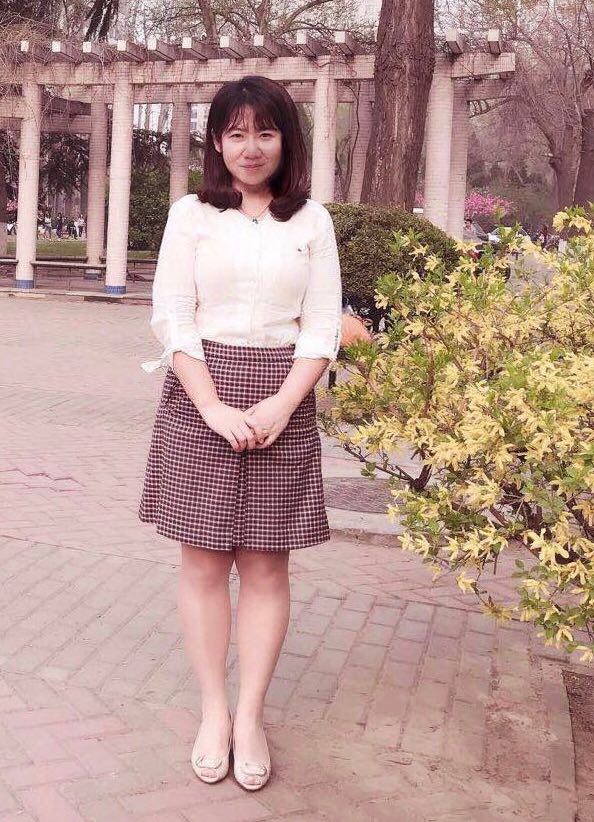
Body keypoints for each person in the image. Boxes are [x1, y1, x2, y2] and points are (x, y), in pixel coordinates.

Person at [138, 76, 342, 791]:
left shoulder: (311, 222)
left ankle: (250, 715)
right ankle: (213, 711)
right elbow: (173, 316)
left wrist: (283, 405)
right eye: (235, 133)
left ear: (286, 140)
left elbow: (321, 326)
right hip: (200, 395)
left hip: (284, 393)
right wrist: (213, 407)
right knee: (202, 563)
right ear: (217, 143)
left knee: (264, 565)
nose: (250, 147)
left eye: (265, 132)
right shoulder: (191, 216)